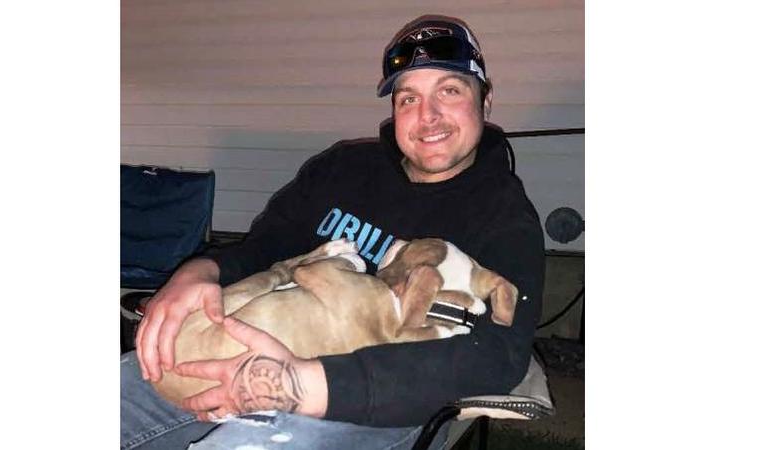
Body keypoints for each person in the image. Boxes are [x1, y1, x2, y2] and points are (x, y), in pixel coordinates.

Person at [121, 14, 545, 450]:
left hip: (380, 402)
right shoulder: (342, 168)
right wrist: (200, 272)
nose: (428, 116)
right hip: (254, 346)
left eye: (450, 91)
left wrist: (304, 384)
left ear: (486, 100)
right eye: (408, 98)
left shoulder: (504, 216)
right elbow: (265, 248)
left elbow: (497, 355)